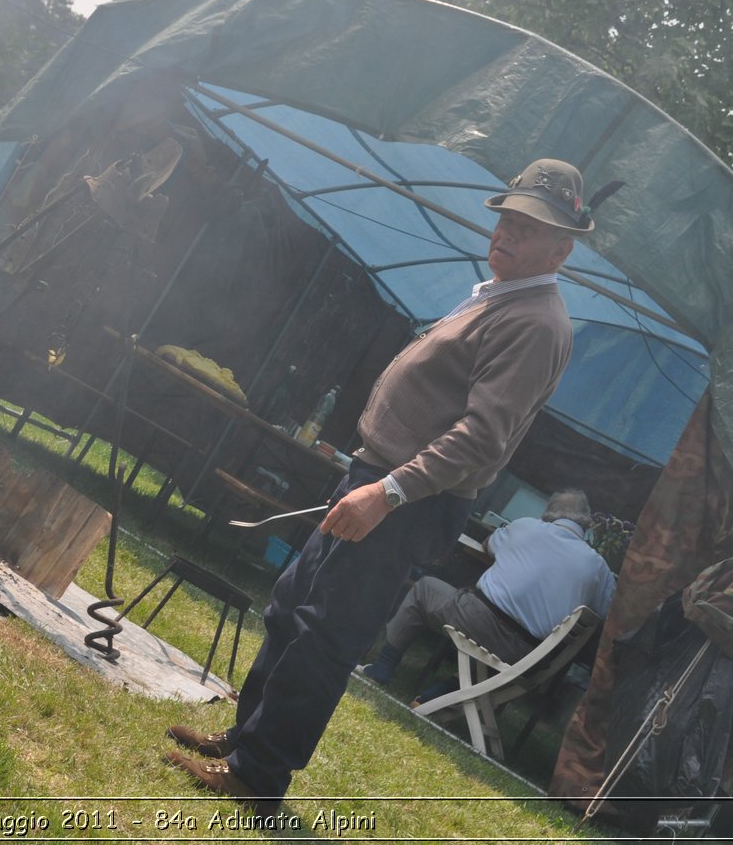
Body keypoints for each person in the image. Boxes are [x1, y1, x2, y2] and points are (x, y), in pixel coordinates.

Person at [164, 159, 595, 814]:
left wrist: (388, 491)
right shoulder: (503, 296)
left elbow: (483, 437)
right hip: (378, 477)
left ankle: (258, 775)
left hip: (405, 497)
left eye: (527, 226)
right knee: (292, 605)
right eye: (506, 217)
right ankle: (244, 738)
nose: (505, 231)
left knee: (325, 632)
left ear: (562, 247)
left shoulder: (536, 322)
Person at [360, 489, 617, 687]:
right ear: (586, 523)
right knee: (498, 637)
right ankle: (447, 692)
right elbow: (607, 610)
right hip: (526, 656)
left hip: (474, 622)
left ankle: (383, 667)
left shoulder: (527, 527)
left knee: (425, 588)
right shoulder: (599, 568)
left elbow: (488, 545)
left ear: (549, 514)